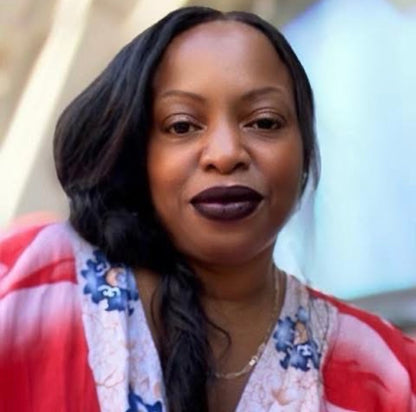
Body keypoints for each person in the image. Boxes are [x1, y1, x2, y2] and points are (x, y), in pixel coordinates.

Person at [0, 6, 415, 412]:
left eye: (264, 122)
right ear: (136, 151)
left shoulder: (388, 375)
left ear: (305, 150)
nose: (226, 153)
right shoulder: (29, 285)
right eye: (182, 125)